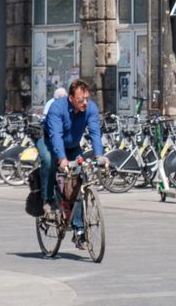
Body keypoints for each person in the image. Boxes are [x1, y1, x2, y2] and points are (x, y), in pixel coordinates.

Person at [40, 79, 104, 247]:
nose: (84, 103)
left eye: (87, 98)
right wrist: (61, 159)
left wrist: (100, 156)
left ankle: (79, 230)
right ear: (70, 98)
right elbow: (56, 135)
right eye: (80, 100)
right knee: (48, 162)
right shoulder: (57, 108)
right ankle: (47, 200)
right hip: (50, 142)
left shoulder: (90, 108)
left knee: (78, 180)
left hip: (73, 145)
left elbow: (95, 132)